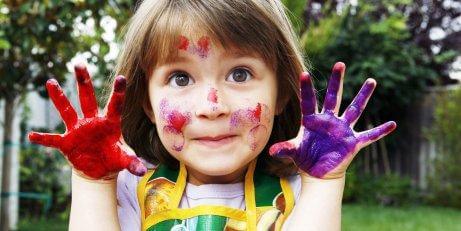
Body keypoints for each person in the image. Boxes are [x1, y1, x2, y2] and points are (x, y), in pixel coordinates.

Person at [28, 0, 396, 230]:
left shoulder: (298, 196)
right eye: (180, 77)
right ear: (147, 104)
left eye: (240, 74)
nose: (211, 105)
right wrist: (91, 182)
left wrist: (325, 184)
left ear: (282, 93)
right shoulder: (130, 192)